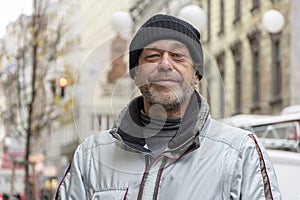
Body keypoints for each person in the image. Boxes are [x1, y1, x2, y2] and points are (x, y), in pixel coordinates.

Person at [55, 14, 281, 199]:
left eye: (178, 56)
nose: (165, 64)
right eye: (153, 56)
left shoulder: (240, 153)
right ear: (135, 75)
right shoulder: (91, 156)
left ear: (196, 75)